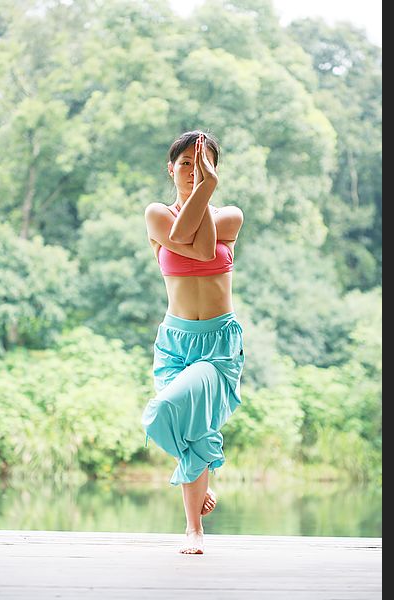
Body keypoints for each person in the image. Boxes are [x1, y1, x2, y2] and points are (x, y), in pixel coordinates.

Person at [141, 130, 245, 554]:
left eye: (201, 165)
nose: (192, 171)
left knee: (177, 413)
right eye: (185, 163)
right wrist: (206, 187)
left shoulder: (230, 216)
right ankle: (194, 525)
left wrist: (207, 187)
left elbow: (201, 250)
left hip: (218, 344)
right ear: (171, 168)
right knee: (190, 426)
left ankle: (194, 530)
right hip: (175, 342)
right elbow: (192, 240)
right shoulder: (156, 215)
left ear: (214, 169)